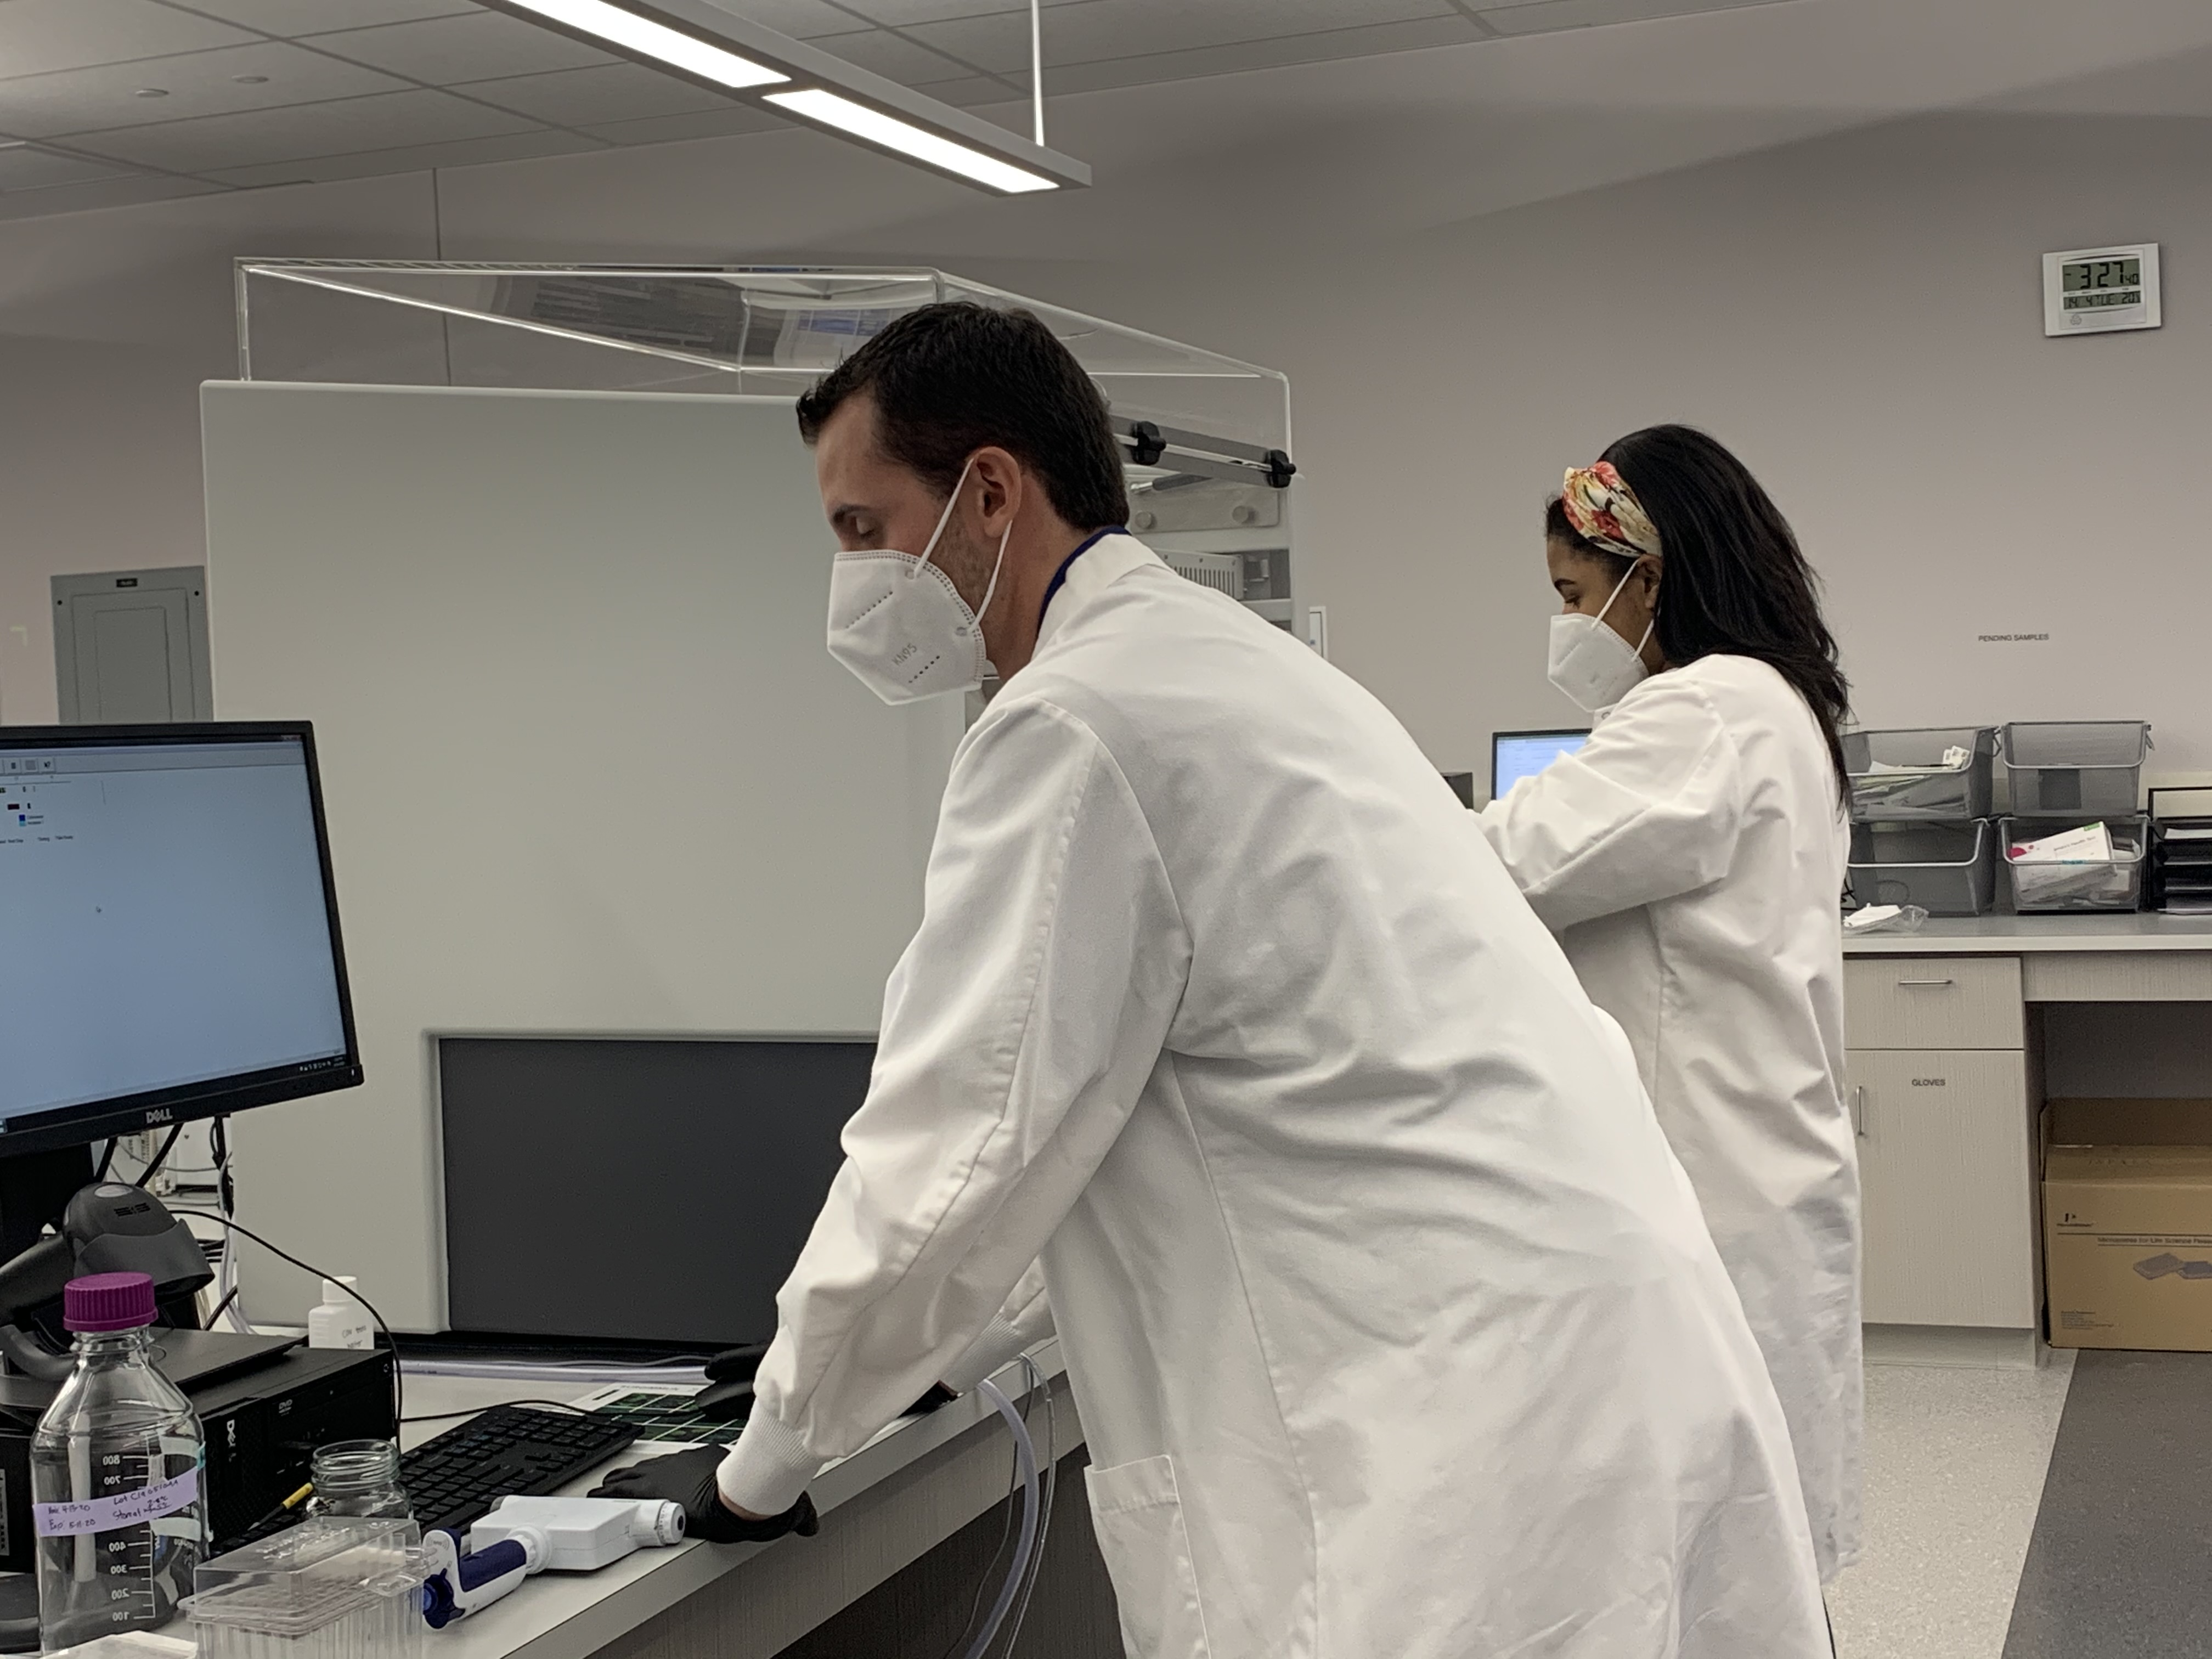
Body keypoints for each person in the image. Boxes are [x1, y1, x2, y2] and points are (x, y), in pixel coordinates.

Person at [594, 307, 1828, 1657]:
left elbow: (954, 1151)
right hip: (1575, 1366)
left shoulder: (1072, 724)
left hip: (1456, 1439)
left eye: (861, 528)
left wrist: (758, 1467)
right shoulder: (1246, 671)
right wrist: (899, 1365)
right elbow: (1096, 1131)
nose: (851, 578)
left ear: (992, 493)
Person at [1475, 426, 1862, 1585]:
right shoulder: (1771, 705)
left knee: (1712, 1561)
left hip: (1710, 1195)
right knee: (1749, 1564)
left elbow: (1500, 866)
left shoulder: (1703, 715)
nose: (1566, 624)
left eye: (1573, 591)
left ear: (1649, 575)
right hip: (1750, 1178)